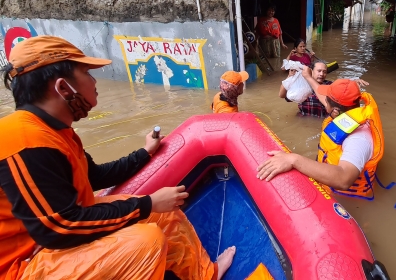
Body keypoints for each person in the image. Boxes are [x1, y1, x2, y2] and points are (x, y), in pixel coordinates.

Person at [0, 36, 235, 280]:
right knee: (147, 242)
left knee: (163, 213)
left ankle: (205, 274)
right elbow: (59, 229)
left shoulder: (57, 131)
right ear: (62, 88)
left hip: (51, 245)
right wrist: (147, 204)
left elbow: (95, 177)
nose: (94, 82)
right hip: (22, 267)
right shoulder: (24, 143)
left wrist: (144, 153)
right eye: (87, 73)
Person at [258, 76, 382, 199]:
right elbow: (325, 97)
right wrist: (307, 76)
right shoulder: (346, 111)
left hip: (346, 200)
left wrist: (293, 159)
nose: (324, 103)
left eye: (326, 102)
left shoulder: (358, 139)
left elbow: (344, 179)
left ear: (335, 111)